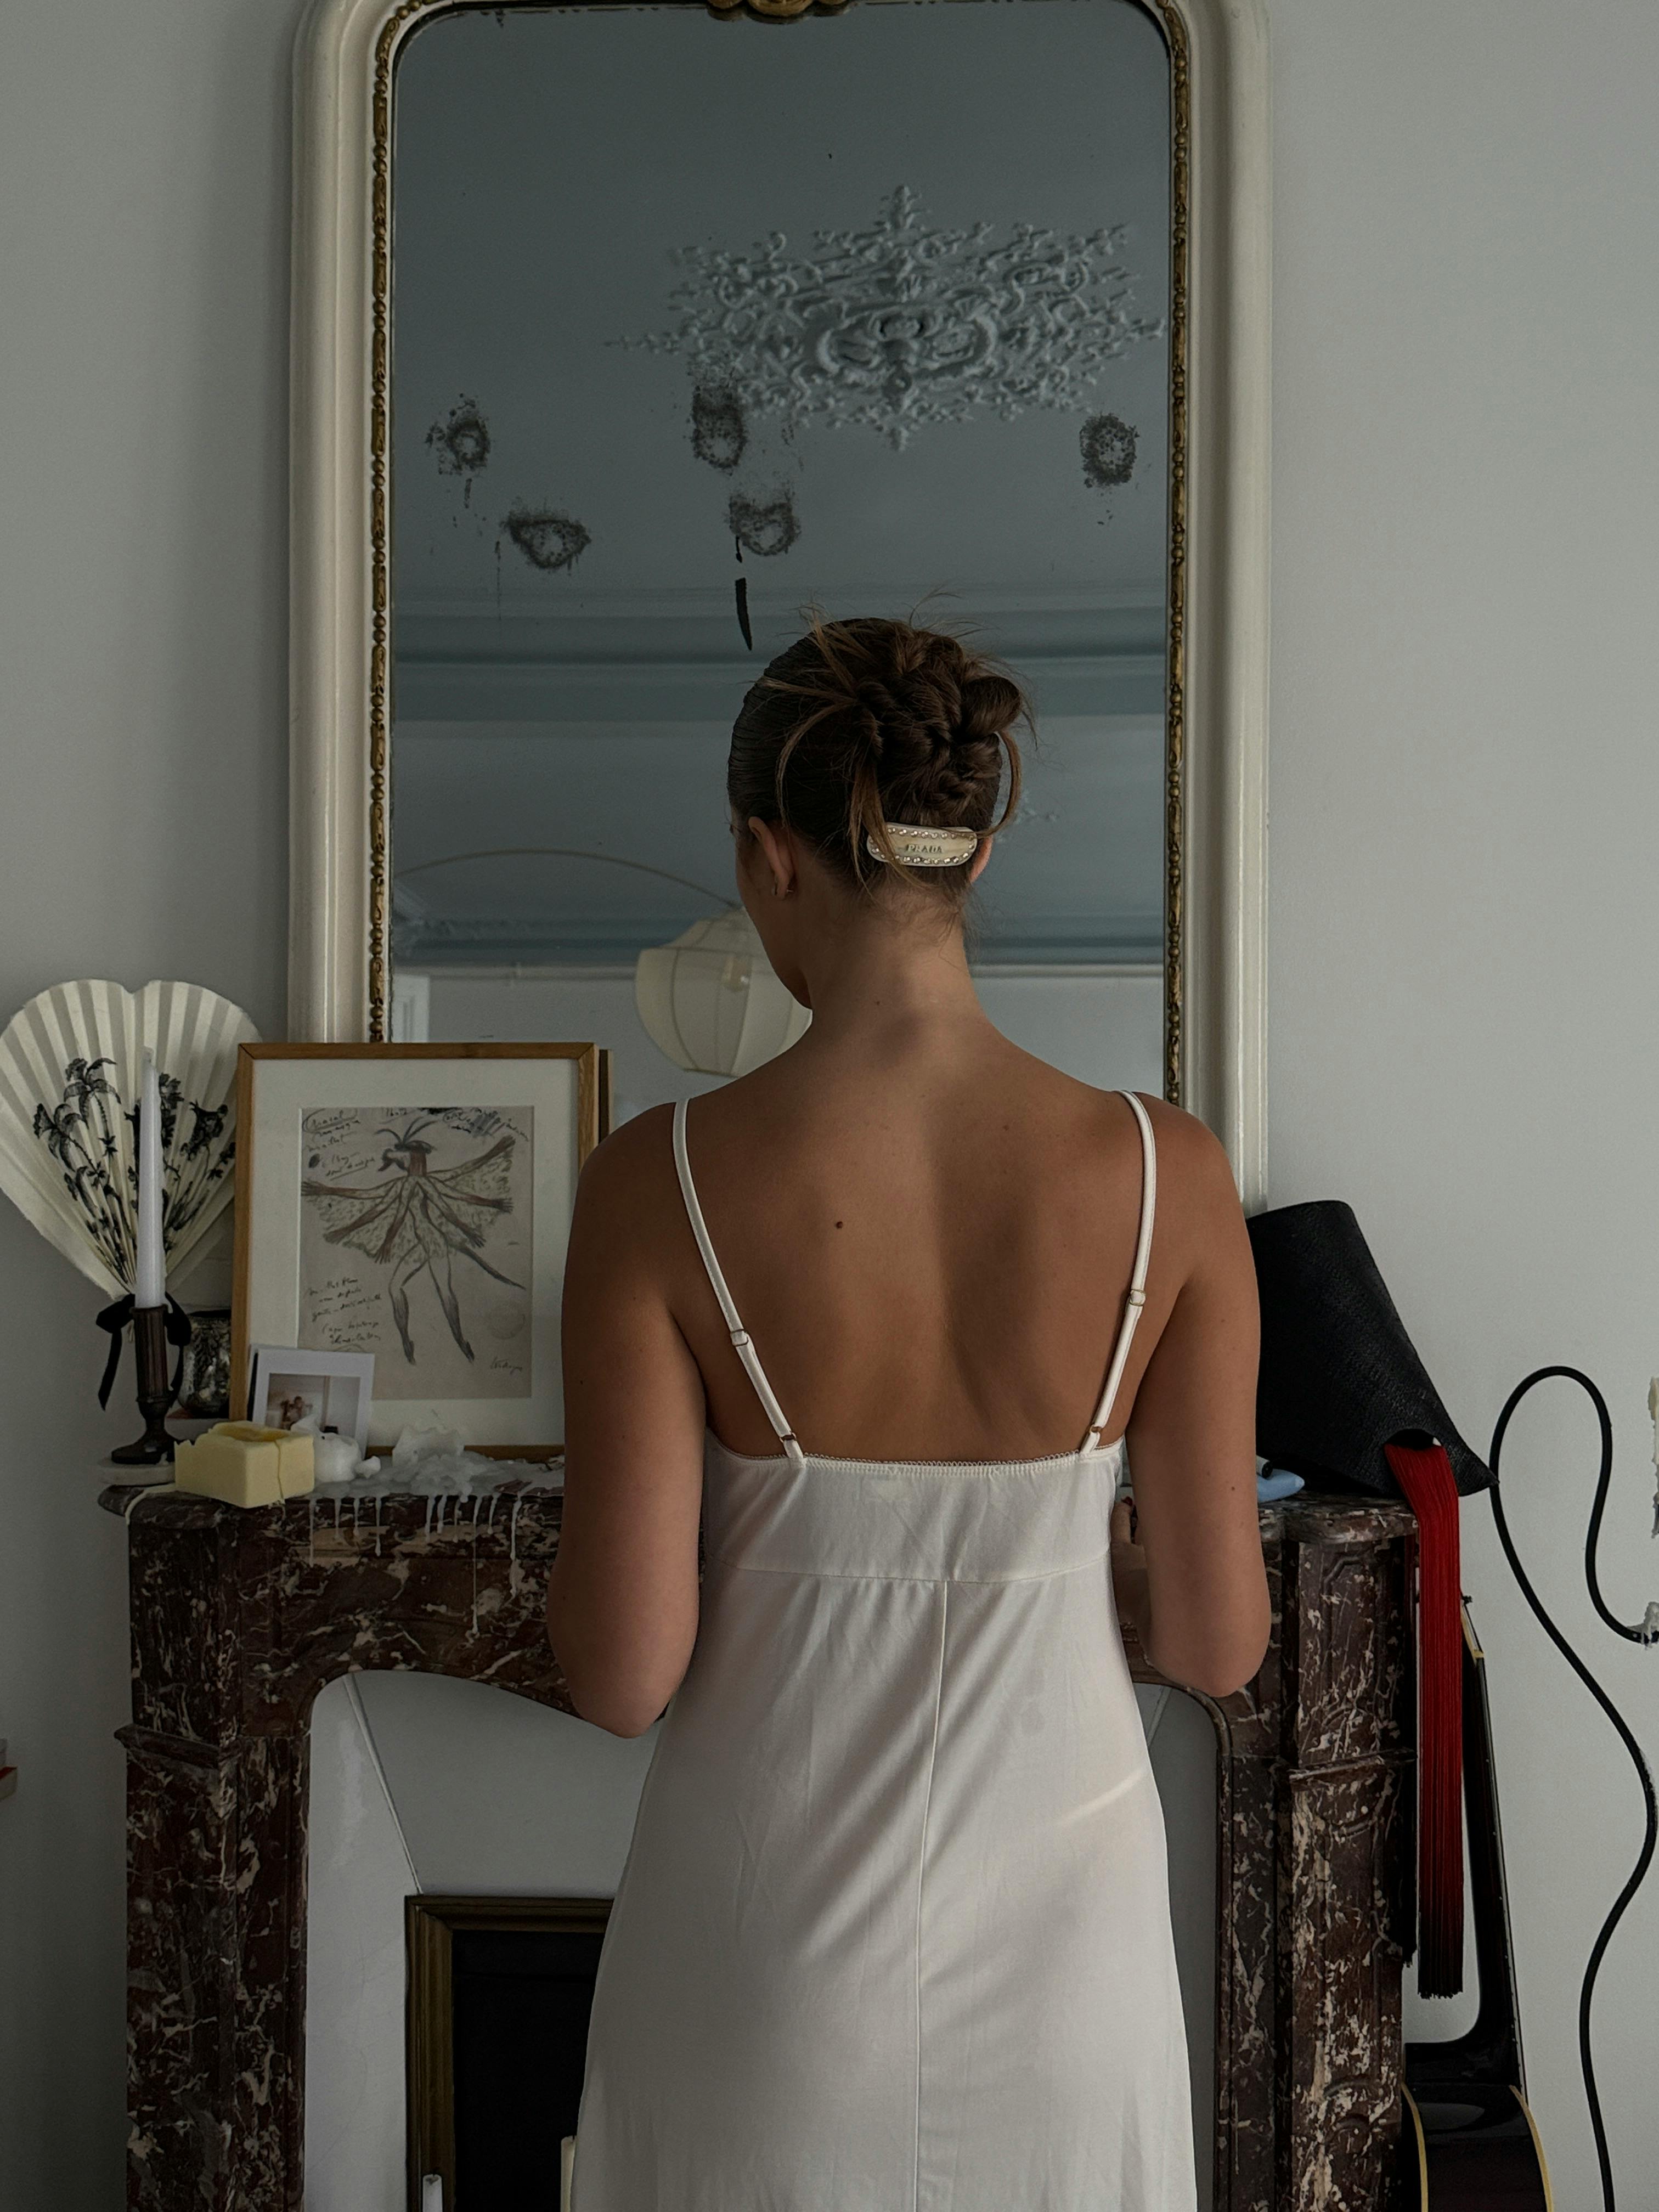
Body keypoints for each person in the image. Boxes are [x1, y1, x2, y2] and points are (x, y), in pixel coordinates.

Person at [546, 616, 1268, 2211]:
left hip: (761, 1970)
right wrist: (1054, 1558)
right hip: (1069, 1972)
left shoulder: (656, 1183)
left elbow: (619, 1675)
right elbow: (1221, 1650)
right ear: (978, 845)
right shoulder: (1170, 1178)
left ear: (765, 853)